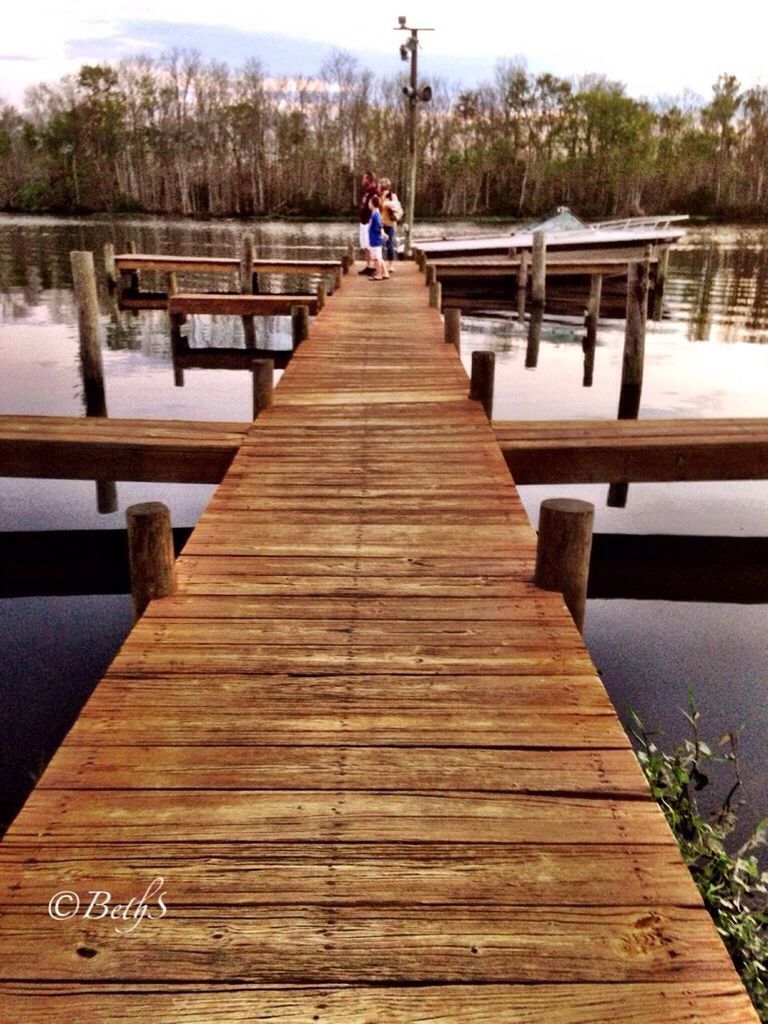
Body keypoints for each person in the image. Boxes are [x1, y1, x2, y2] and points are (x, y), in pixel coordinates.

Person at [357, 171, 379, 275]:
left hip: (369, 221)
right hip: (363, 221)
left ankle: (373, 267)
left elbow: (376, 207)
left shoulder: (374, 192)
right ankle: (368, 265)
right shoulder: (366, 192)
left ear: (369, 180)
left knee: (370, 245)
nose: (362, 181)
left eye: (364, 179)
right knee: (365, 245)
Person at [379, 178, 402, 275]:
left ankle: (391, 265)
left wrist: (388, 204)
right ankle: (380, 265)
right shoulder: (378, 196)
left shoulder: (393, 196)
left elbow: (397, 207)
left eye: (381, 185)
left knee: (389, 244)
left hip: (389, 223)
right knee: (378, 245)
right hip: (379, 223)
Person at [367, 195, 389, 281]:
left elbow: (379, 226)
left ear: (373, 204)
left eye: (369, 202)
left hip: (375, 239)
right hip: (374, 239)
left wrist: (381, 233)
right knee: (379, 257)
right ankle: (385, 273)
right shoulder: (375, 213)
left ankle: (379, 274)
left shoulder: (375, 214)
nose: (368, 204)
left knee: (377, 258)